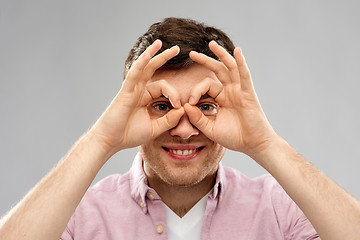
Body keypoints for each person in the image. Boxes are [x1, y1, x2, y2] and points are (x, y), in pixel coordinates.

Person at [0, 17, 359, 240]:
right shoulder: (80, 216)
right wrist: (102, 139)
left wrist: (264, 143)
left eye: (205, 106)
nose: (185, 129)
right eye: (162, 106)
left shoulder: (281, 209)